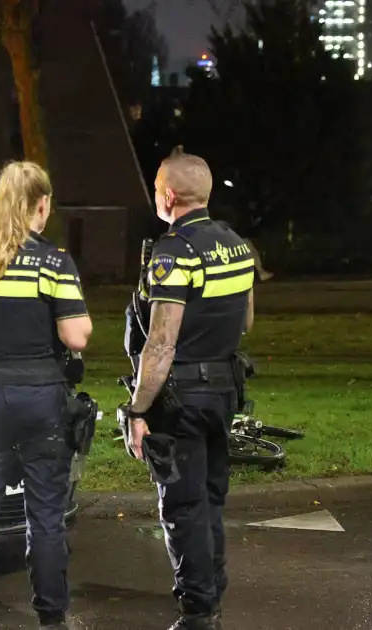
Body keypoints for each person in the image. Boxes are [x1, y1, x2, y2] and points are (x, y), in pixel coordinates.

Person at [0, 161, 93, 630]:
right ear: (40, 206)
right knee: (45, 514)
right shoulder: (54, 262)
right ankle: (51, 616)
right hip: (41, 399)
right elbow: (75, 336)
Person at [127, 148, 255, 630]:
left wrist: (138, 410)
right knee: (211, 500)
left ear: (168, 195)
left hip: (181, 399)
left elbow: (160, 343)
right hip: (223, 392)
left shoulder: (173, 251)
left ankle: (198, 613)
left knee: (182, 506)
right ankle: (211, 599)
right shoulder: (237, 245)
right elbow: (245, 320)